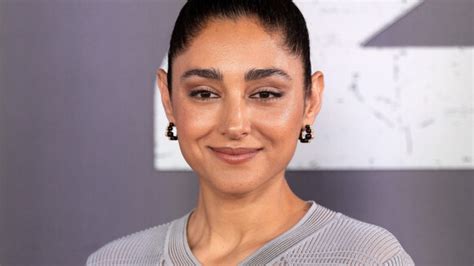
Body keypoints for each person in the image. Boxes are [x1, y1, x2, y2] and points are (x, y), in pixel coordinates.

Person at [87, 0, 414, 265]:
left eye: (266, 94)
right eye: (204, 93)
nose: (234, 125)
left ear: (310, 101)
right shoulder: (115, 261)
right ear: (168, 99)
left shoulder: (365, 258)